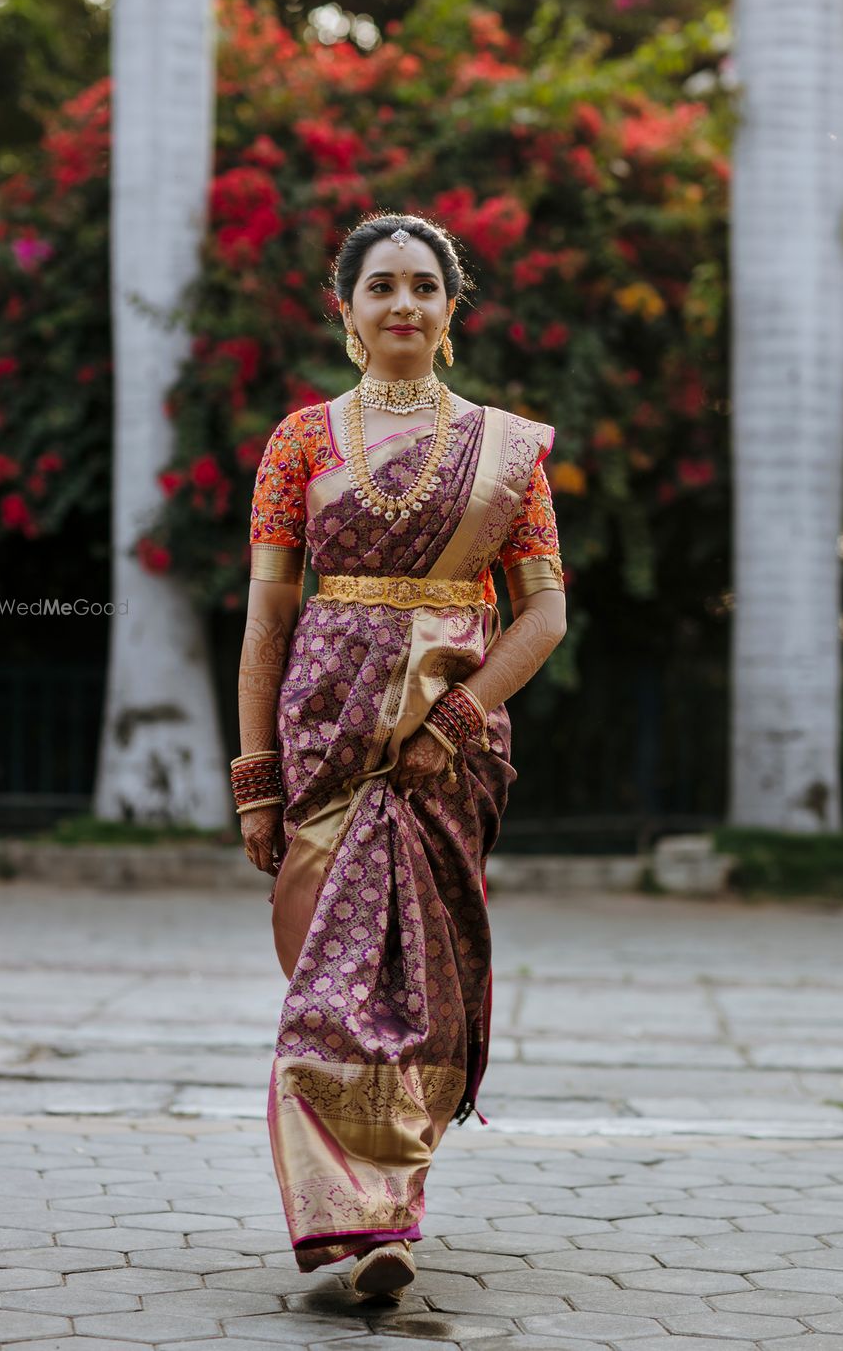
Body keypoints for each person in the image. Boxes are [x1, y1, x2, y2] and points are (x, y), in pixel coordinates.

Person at [233, 211, 566, 1302]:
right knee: (326, 984)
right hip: (325, 737)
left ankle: (376, 1225)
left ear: (452, 309)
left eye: (425, 286)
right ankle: (349, 1214)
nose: (404, 305)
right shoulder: (300, 441)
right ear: (347, 310)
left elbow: (544, 615)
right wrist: (255, 776)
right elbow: (270, 613)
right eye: (382, 286)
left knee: (416, 987)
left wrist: (454, 724)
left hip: (443, 749)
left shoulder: (509, 450)